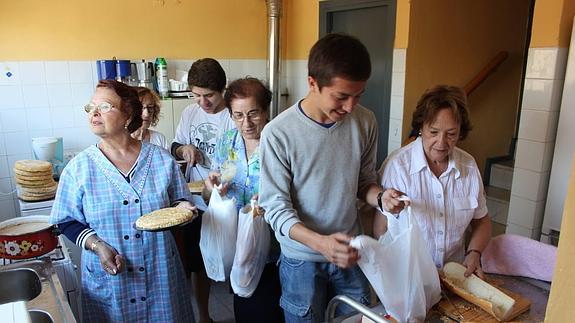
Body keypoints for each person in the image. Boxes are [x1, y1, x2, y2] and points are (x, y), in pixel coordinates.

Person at [258, 33, 405, 323]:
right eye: (341, 96)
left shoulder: (365, 122)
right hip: (301, 259)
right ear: (313, 83)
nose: (350, 107)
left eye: (358, 95)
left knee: (360, 320)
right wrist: (320, 243)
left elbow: (364, 182)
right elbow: (275, 208)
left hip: (351, 252)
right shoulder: (278, 133)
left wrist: (381, 198)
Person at [49, 80, 197, 322]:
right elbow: (66, 221)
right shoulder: (79, 168)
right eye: (91, 107)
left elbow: (180, 203)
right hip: (111, 279)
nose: (94, 113)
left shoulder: (161, 160)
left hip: (159, 273)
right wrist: (97, 246)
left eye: (105, 106)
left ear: (128, 115)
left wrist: (184, 209)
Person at [374, 85, 492, 279]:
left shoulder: (468, 167)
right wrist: (389, 276)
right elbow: (381, 227)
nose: (442, 143)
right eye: (434, 132)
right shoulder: (398, 166)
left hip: (454, 276)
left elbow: (482, 221)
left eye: (451, 134)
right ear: (421, 127)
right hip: (407, 276)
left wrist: (474, 253)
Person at [203, 77, 284, 323]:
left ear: (266, 109)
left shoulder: (279, 141)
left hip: (274, 247)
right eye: (238, 115)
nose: (246, 123)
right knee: (244, 307)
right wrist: (213, 189)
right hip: (238, 243)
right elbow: (217, 186)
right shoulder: (228, 142)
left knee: (270, 310)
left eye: (253, 114)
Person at [171, 58, 235, 323]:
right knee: (198, 263)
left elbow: (239, 160)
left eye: (208, 95)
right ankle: (205, 316)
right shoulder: (190, 113)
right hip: (195, 201)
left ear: (223, 89)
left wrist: (224, 179)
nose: (202, 102)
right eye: (196, 95)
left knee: (232, 257)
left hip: (226, 200)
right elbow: (175, 145)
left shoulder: (233, 115)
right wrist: (182, 149)